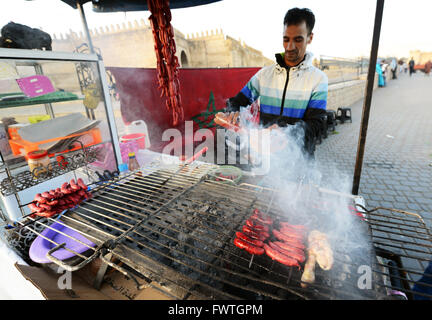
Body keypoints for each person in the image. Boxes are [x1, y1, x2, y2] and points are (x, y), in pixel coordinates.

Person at [226, 7, 328, 157]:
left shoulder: (318, 79)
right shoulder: (264, 75)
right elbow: (236, 102)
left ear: (310, 38)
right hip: (265, 157)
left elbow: (317, 125)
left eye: (298, 39)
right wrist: (232, 112)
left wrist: (286, 132)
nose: (290, 47)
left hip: (299, 161)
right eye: (286, 39)